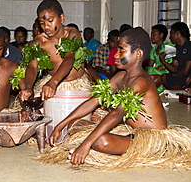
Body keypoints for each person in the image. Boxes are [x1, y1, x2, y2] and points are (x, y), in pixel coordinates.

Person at [49, 27, 167, 165]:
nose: (115, 55)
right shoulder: (121, 76)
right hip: (132, 132)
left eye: (121, 50)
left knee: (100, 141)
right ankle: (94, 145)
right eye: (116, 49)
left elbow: (117, 114)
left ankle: (90, 147)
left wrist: (85, 144)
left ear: (138, 54)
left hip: (153, 141)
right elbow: (93, 101)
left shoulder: (141, 81)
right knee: (74, 124)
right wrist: (60, 125)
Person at [19, 0, 92, 102]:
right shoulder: (39, 42)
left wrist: (54, 82)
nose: (46, 26)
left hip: (76, 85)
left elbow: (70, 58)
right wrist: (28, 87)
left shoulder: (72, 33)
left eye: (50, 21)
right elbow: (33, 66)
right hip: (50, 85)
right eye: (42, 23)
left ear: (62, 18)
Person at [160, 22, 191, 89]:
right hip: (180, 77)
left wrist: (174, 75)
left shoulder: (189, 47)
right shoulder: (177, 48)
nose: (170, 37)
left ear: (177, 34)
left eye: (171, 33)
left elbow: (186, 71)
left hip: (187, 78)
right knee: (162, 77)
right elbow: (175, 68)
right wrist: (163, 61)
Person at [145, 24, 174, 92]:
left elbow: (171, 63)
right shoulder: (154, 49)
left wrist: (155, 69)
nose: (151, 37)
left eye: (154, 34)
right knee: (146, 69)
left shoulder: (169, 47)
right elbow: (150, 65)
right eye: (151, 34)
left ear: (161, 35)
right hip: (155, 71)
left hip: (166, 72)